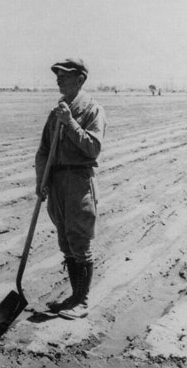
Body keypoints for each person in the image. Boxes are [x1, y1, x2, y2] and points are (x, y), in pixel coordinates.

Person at [35, 58, 107, 319]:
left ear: (80, 79)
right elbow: (43, 151)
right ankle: (73, 297)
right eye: (57, 75)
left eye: (64, 75)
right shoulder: (56, 112)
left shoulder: (92, 110)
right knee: (65, 240)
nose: (58, 79)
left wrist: (71, 123)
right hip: (56, 183)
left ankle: (82, 301)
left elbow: (93, 148)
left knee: (80, 240)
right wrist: (41, 181)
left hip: (79, 182)